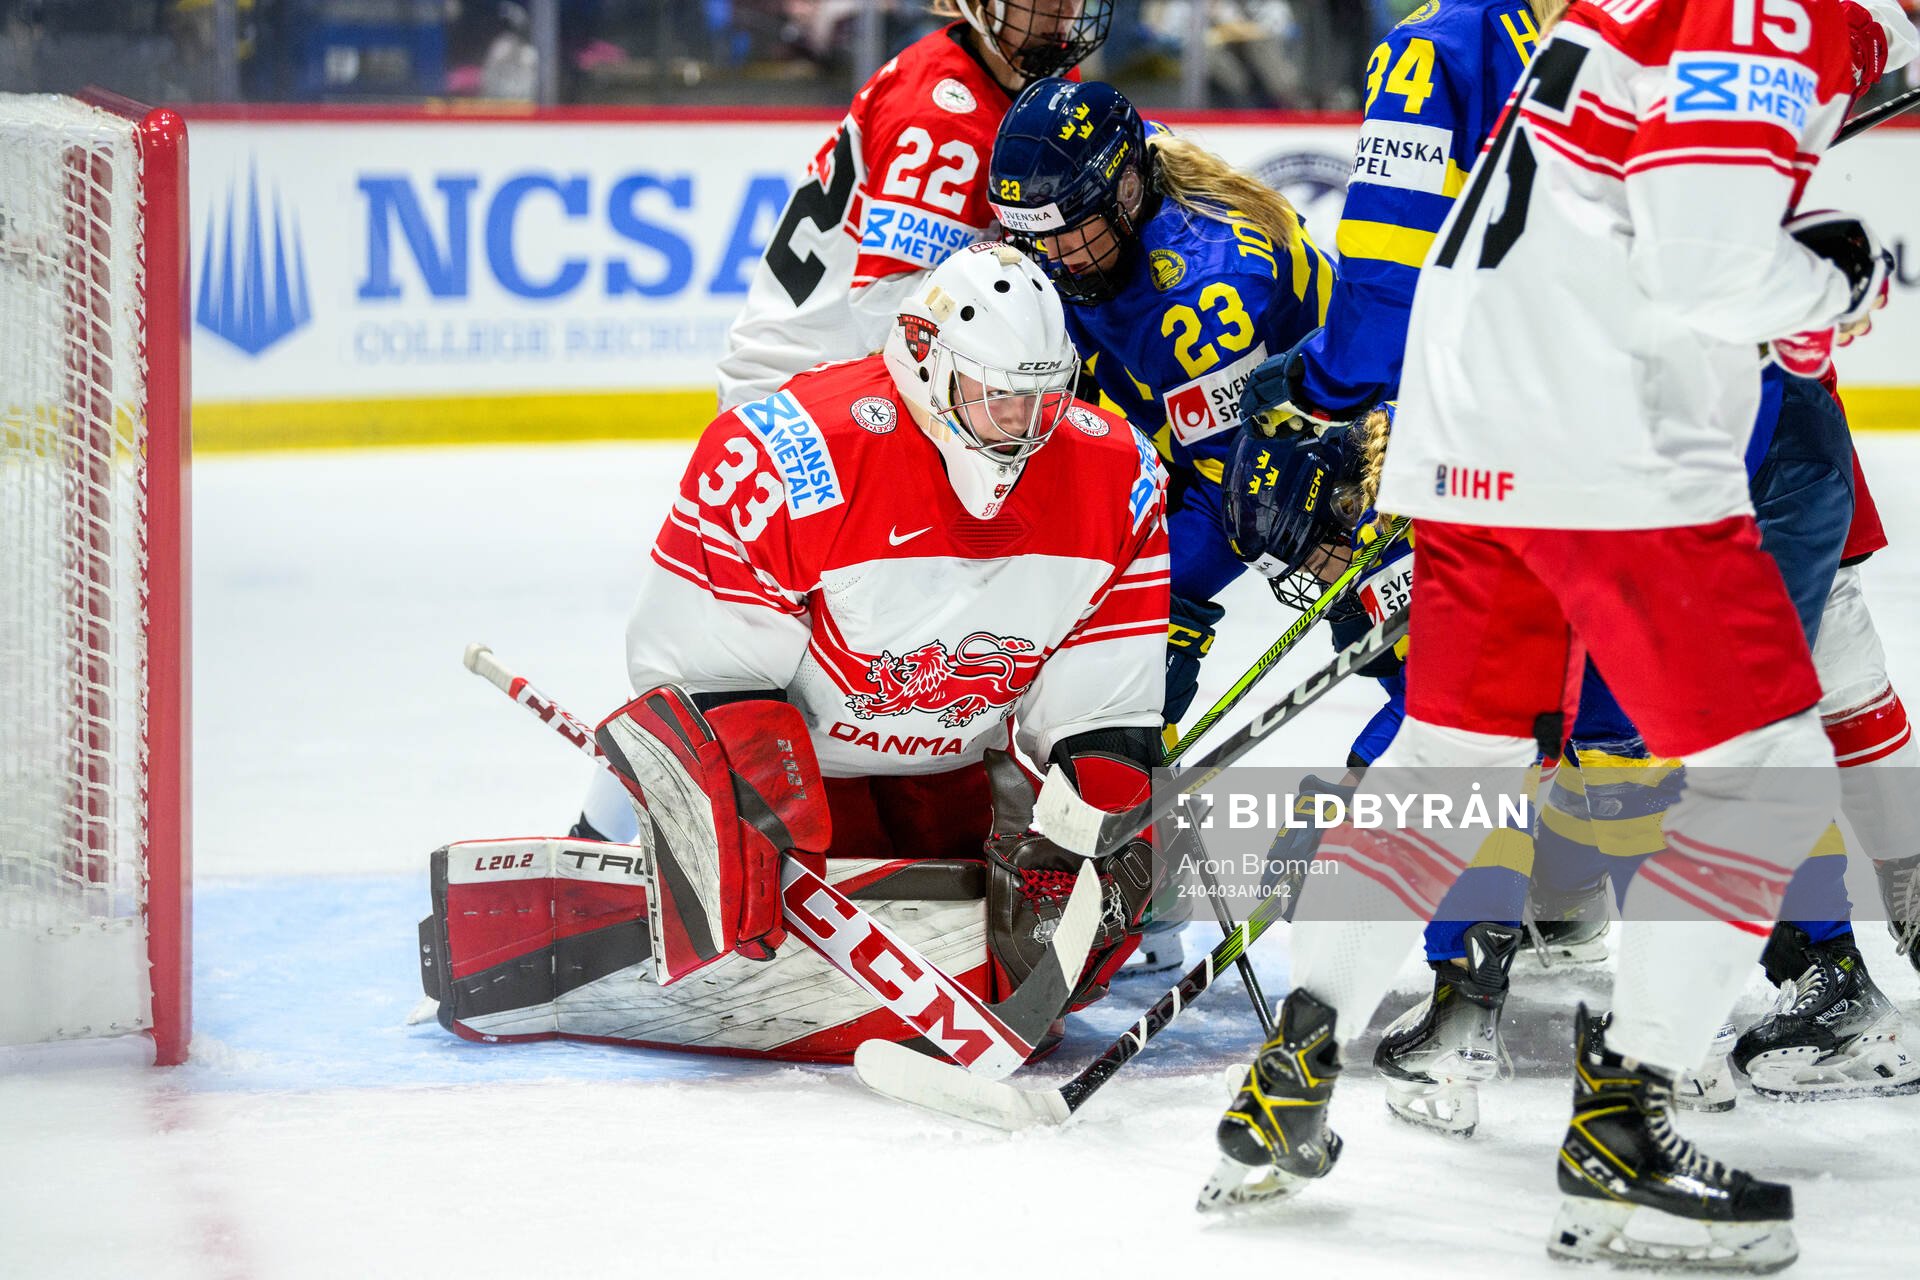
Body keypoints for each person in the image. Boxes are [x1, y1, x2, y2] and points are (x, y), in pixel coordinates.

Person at [1208, 0, 1905, 1270]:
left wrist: (1791, 294)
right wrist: (1847, 280)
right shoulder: (1794, 10)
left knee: (1446, 757)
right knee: (1764, 766)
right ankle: (1625, 1135)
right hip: (1601, 427)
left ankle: (1291, 1064)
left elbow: (1651, 205)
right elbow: (1702, 267)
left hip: (1466, 405)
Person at [457, 243, 1170, 1061]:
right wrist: (748, 803)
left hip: (957, 774)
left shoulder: (1116, 476)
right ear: (927, 362)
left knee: (1076, 905)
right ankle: (629, 840)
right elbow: (709, 667)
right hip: (810, 780)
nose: (1027, 427)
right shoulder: (793, 454)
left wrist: (1106, 830)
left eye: (1047, 400)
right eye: (999, 399)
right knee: (738, 862)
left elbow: (1103, 705)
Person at [985, 74, 1336, 972]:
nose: (1054, 257)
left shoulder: (1201, 292)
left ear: (1127, 192)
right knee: (1117, 628)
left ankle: (1546, 873)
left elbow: (1242, 497)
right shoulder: (1114, 185)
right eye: (1036, 237)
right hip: (1206, 439)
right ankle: (1148, 866)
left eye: (1070, 232)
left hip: (1327, 461)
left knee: (1433, 674)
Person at [716, 0, 1110, 409]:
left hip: (852, 378)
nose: (1064, 10)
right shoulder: (937, 119)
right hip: (796, 392)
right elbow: (888, 312)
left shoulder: (1047, 79)